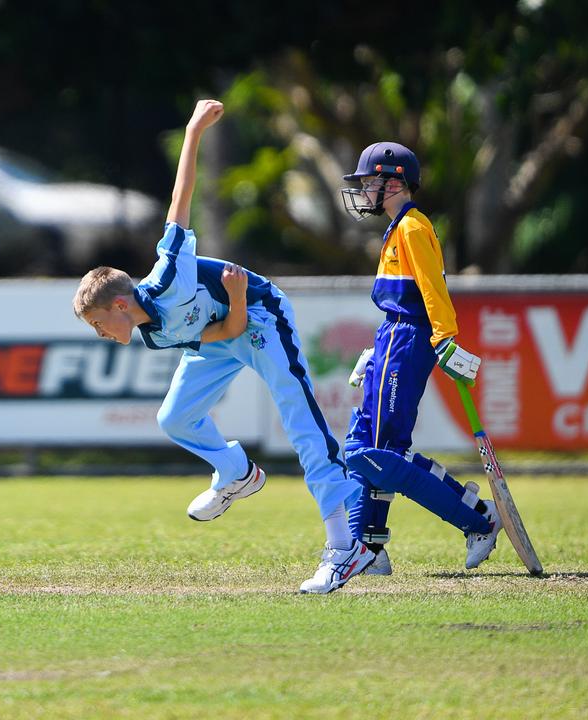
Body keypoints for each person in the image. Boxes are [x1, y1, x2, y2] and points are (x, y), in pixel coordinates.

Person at [72, 100, 372, 594]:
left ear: (120, 305)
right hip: (227, 327)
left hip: (258, 314)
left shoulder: (167, 277)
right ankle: (237, 473)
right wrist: (228, 306)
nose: (101, 333)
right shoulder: (150, 333)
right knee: (174, 418)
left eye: (99, 323)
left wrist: (192, 131)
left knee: (299, 421)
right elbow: (219, 337)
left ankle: (346, 546)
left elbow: (180, 200)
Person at [338, 141, 499, 576]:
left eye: (371, 180)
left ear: (393, 182)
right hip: (392, 337)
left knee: (385, 452)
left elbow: (432, 288)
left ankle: (477, 517)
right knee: (361, 448)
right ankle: (368, 548)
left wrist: (445, 338)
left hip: (409, 338)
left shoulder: (411, 226)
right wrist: (375, 353)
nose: (364, 189)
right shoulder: (396, 228)